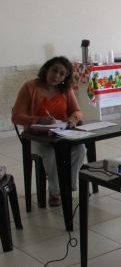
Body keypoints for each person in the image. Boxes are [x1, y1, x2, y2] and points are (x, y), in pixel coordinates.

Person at [12, 56, 85, 207]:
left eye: (62, 74)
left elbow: (77, 111)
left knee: (80, 148)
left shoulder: (66, 90)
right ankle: (56, 192)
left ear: (66, 77)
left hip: (61, 135)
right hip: (36, 137)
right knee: (51, 154)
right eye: (54, 70)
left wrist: (73, 119)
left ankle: (69, 188)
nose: (56, 76)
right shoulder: (29, 88)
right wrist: (38, 120)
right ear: (46, 69)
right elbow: (16, 117)